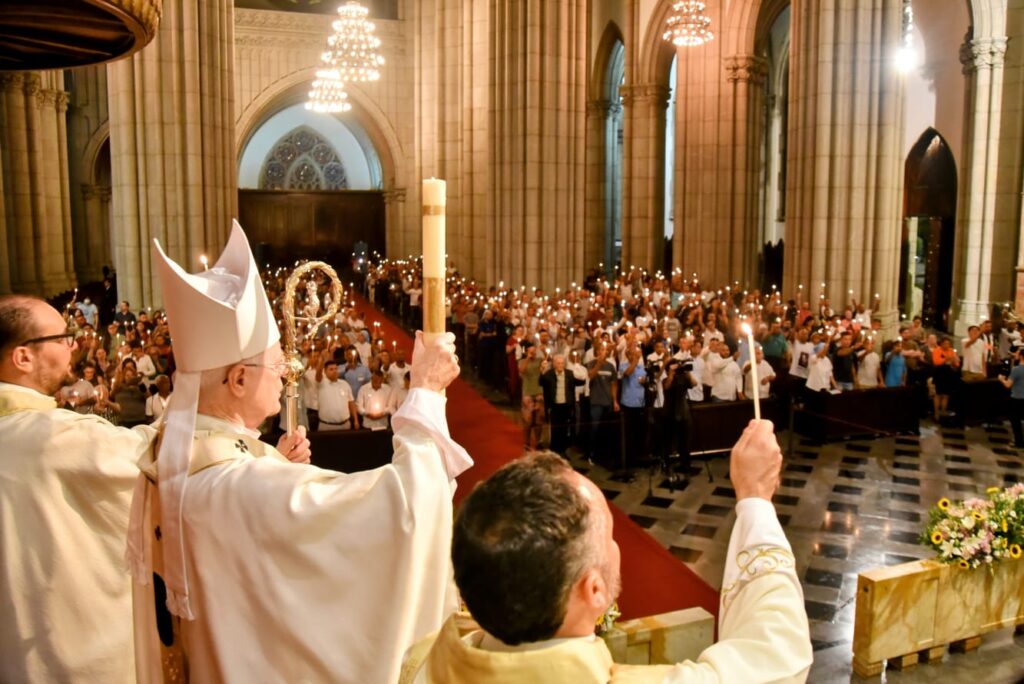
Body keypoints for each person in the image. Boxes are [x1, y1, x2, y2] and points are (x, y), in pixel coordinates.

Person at [130, 223, 473, 683]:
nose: (287, 372)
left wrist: (270, 461)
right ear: (238, 380)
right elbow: (403, 513)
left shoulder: (174, 454)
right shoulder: (241, 484)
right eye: (277, 363)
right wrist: (426, 392)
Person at [400, 421, 812, 682]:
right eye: (610, 537)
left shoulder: (421, 661)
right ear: (594, 590)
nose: (616, 548)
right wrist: (755, 499)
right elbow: (777, 656)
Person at [0, 295, 156, 682]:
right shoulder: (51, 437)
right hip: (72, 661)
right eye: (61, 338)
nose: (73, 345)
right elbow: (161, 460)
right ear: (23, 357)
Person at [540, 353, 584, 455]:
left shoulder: (569, 374)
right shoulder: (550, 374)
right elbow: (541, 382)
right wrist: (542, 371)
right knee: (555, 428)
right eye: (558, 363)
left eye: (562, 363)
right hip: (554, 405)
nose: (560, 365)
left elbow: (581, 382)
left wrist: (578, 368)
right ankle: (554, 450)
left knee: (564, 429)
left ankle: (562, 451)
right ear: (554, 364)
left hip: (566, 405)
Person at [998, 348, 1024, 448]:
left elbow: (1008, 385)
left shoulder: (1016, 370)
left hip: (1016, 398)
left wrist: (1001, 379)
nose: (1015, 355)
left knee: (1016, 421)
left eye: (1017, 353)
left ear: (1021, 356)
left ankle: (1019, 442)